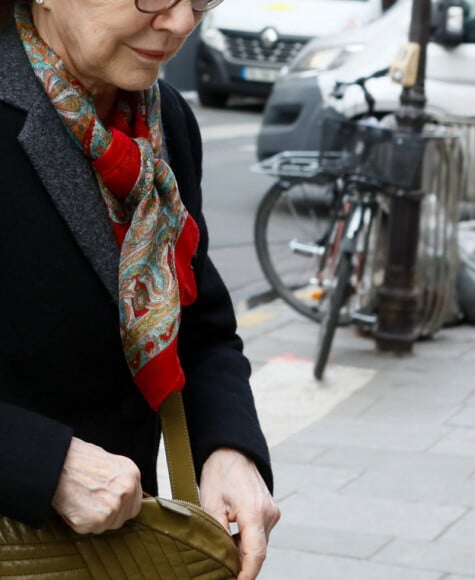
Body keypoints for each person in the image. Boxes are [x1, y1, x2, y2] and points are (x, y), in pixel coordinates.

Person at [0, 0, 280, 577]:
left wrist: (228, 449)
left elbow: (201, 327)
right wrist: (42, 461)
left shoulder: (165, 120)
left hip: (120, 553)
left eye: (200, 0)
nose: (180, 23)